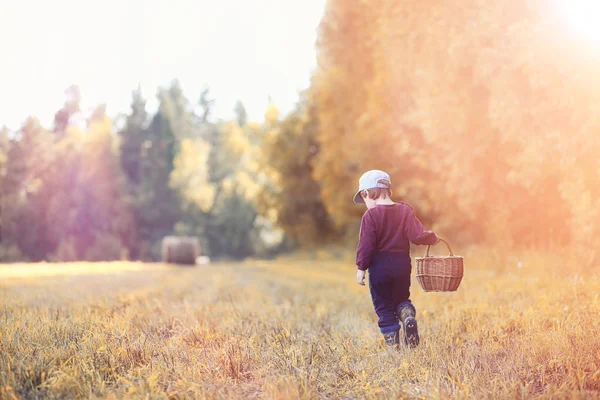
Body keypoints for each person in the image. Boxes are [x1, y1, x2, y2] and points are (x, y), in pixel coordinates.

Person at [353, 169, 439, 348]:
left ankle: (393, 344)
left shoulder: (370, 216)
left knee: (383, 305)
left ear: (367, 192)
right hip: (401, 265)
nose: (365, 203)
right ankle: (407, 314)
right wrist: (432, 237)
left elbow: (366, 245)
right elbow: (417, 236)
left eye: (364, 198)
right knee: (402, 298)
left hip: (379, 268)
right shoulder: (405, 211)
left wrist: (361, 268)